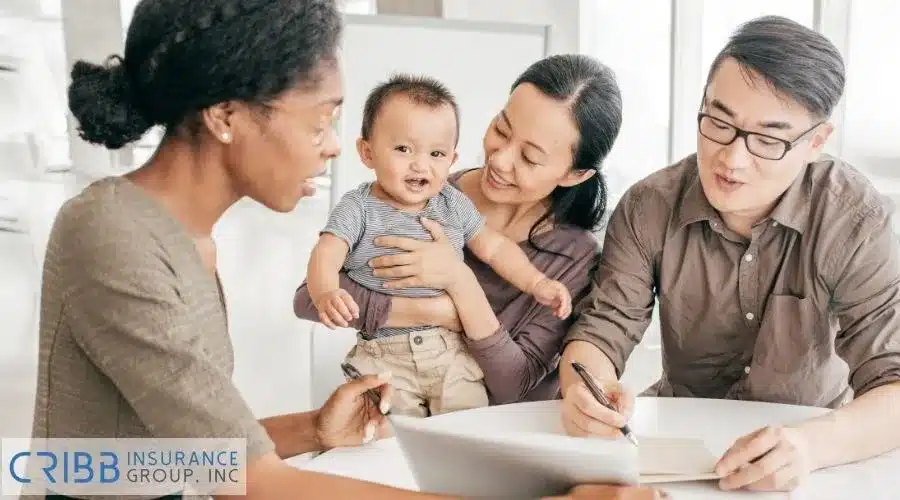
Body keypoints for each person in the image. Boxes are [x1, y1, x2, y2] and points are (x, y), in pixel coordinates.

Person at [32, 0, 662, 498]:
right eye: (321, 119)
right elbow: (245, 483)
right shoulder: (115, 236)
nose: (338, 148)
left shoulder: (186, 237)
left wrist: (311, 429)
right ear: (227, 116)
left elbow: (173, 455)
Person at [560, 14, 900, 493]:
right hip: (674, 447)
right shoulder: (649, 204)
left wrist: (812, 445)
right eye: (719, 123)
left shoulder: (854, 217)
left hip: (808, 451)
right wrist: (584, 388)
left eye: (768, 140)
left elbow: (893, 382)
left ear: (816, 142)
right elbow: (604, 327)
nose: (732, 160)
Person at [295, 52, 623, 408]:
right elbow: (309, 299)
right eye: (501, 129)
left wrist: (460, 283)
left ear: (574, 174)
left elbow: (516, 386)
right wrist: (439, 314)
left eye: (529, 157)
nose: (498, 159)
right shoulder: (422, 195)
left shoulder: (573, 256)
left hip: (495, 435)